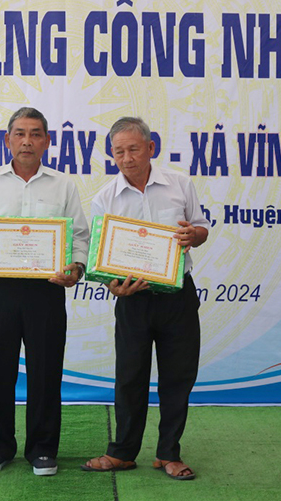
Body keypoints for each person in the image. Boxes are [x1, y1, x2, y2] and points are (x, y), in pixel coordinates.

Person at [0, 107, 89, 477]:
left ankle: (43, 449)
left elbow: (79, 235)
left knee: (45, 370)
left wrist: (76, 268)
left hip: (47, 291)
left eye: (35, 134)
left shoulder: (63, 185)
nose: (27, 141)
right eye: (19, 133)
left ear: (47, 141)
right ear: (7, 140)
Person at [80, 117, 209, 481]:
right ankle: (122, 452)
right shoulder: (106, 197)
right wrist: (112, 286)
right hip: (132, 300)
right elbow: (99, 256)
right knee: (129, 376)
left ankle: (169, 453)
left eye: (133, 149)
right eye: (118, 151)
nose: (126, 158)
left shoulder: (179, 184)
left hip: (177, 296)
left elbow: (201, 228)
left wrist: (192, 235)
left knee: (178, 377)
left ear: (151, 148)